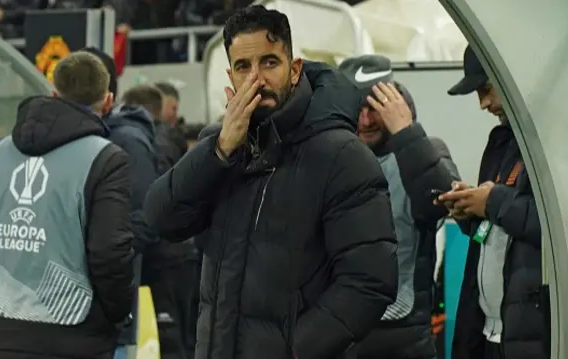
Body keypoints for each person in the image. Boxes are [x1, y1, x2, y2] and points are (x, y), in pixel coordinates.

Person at [144, 5, 398, 359]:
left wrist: (294, 350)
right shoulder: (222, 146)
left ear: (295, 70)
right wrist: (217, 152)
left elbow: (371, 282)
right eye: (244, 67)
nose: (257, 79)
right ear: (230, 74)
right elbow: (161, 218)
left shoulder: (341, 156)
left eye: (269, 62)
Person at [0, 51, 135, 359]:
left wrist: (8, 284)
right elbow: (109, 253)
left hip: (6, 333)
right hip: (79, 334)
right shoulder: (106, 159)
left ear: (53, 93)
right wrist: (113, 314)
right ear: (108, 101)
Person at [338, 55, 460, 359]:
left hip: (402, 332)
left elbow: (442, 203)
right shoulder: (330, 156)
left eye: (375, 108)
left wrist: (406, 132)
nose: (365, 121)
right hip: (337, 329)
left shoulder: (426, 149)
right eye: (357, 110)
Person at [436, 45, 546, 359]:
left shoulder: (558, 148)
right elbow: (500, 230)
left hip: (529, 336)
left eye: (486, 89)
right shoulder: (501, 143)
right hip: (490, 332)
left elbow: (561, 226)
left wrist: (492, 202)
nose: (483, 103)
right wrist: (471, 209)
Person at [120, 84, 200, 359]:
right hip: (185, 254)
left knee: (168, 342)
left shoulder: (149, 144)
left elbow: (151, 207)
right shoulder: (169, 141)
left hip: (163, 258)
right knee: (188, 341)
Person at [105, 85, 164, 359]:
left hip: (114, 300)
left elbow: (147, 215)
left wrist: (113, 257)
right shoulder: (123, 137)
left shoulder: (127, 141)